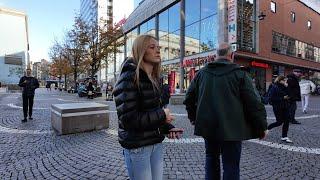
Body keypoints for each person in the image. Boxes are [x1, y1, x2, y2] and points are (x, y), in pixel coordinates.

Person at [184, 43, 268, 180]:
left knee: (211, 160)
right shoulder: (240, 74)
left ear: (215, 56)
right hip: (233, 129)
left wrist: (193, 118)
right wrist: (261, 126)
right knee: (231, 165)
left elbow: (189, 98)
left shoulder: (201, 74)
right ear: (232, 56)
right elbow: (254, 103)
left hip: (208, 127)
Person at [113, 35, 183, 180]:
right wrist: (162, 115)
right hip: (138, 147)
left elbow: (151, 112)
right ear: (141, 51)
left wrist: (167, 127)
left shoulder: (154, 78)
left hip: (155, 143)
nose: (158, 50)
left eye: (158, 47)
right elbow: (129, 119)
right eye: (152, 47)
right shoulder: (130, 77)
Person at [267, 75, 292, 143]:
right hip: (277, 107)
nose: (285, 82)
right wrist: (282, 98)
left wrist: (287, 88)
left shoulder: (285, 87)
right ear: (279, 80)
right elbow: (271, 98)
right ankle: (267, 128)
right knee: (279, 122)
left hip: (285, 106)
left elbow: (290, 94)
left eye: (285, 80)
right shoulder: (274, 87)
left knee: (287, 121)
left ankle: (284, 136)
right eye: (284, 80)